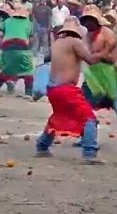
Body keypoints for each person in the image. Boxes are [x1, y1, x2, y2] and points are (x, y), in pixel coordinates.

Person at [35, 18, 106, 163]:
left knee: (58, 116)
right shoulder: (75, 42)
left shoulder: (57, 42)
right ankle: (89, 152)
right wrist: (105, 51)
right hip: (67, 89)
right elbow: (91, 60)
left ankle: (42, 146)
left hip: (53, 89)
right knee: (89, 118)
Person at [79, 5, 117, 156]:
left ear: (97, 20)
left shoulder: (107, 34)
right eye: (86, 20)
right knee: (83, 107)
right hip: (93, 77)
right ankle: (87, 138)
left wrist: (100, 55)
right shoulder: (87, 36)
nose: (88, 23)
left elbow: (114, 58)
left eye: (91, 20)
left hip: (108, 76)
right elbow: (87, 57)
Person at [0, 3, 34, 96]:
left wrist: (3, 47)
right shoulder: (29, 23)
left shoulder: (7, 21)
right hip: (22, 48)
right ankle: (28, 94)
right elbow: (31, 39)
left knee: (6, 70)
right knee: (28, 73)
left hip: (7, 48)